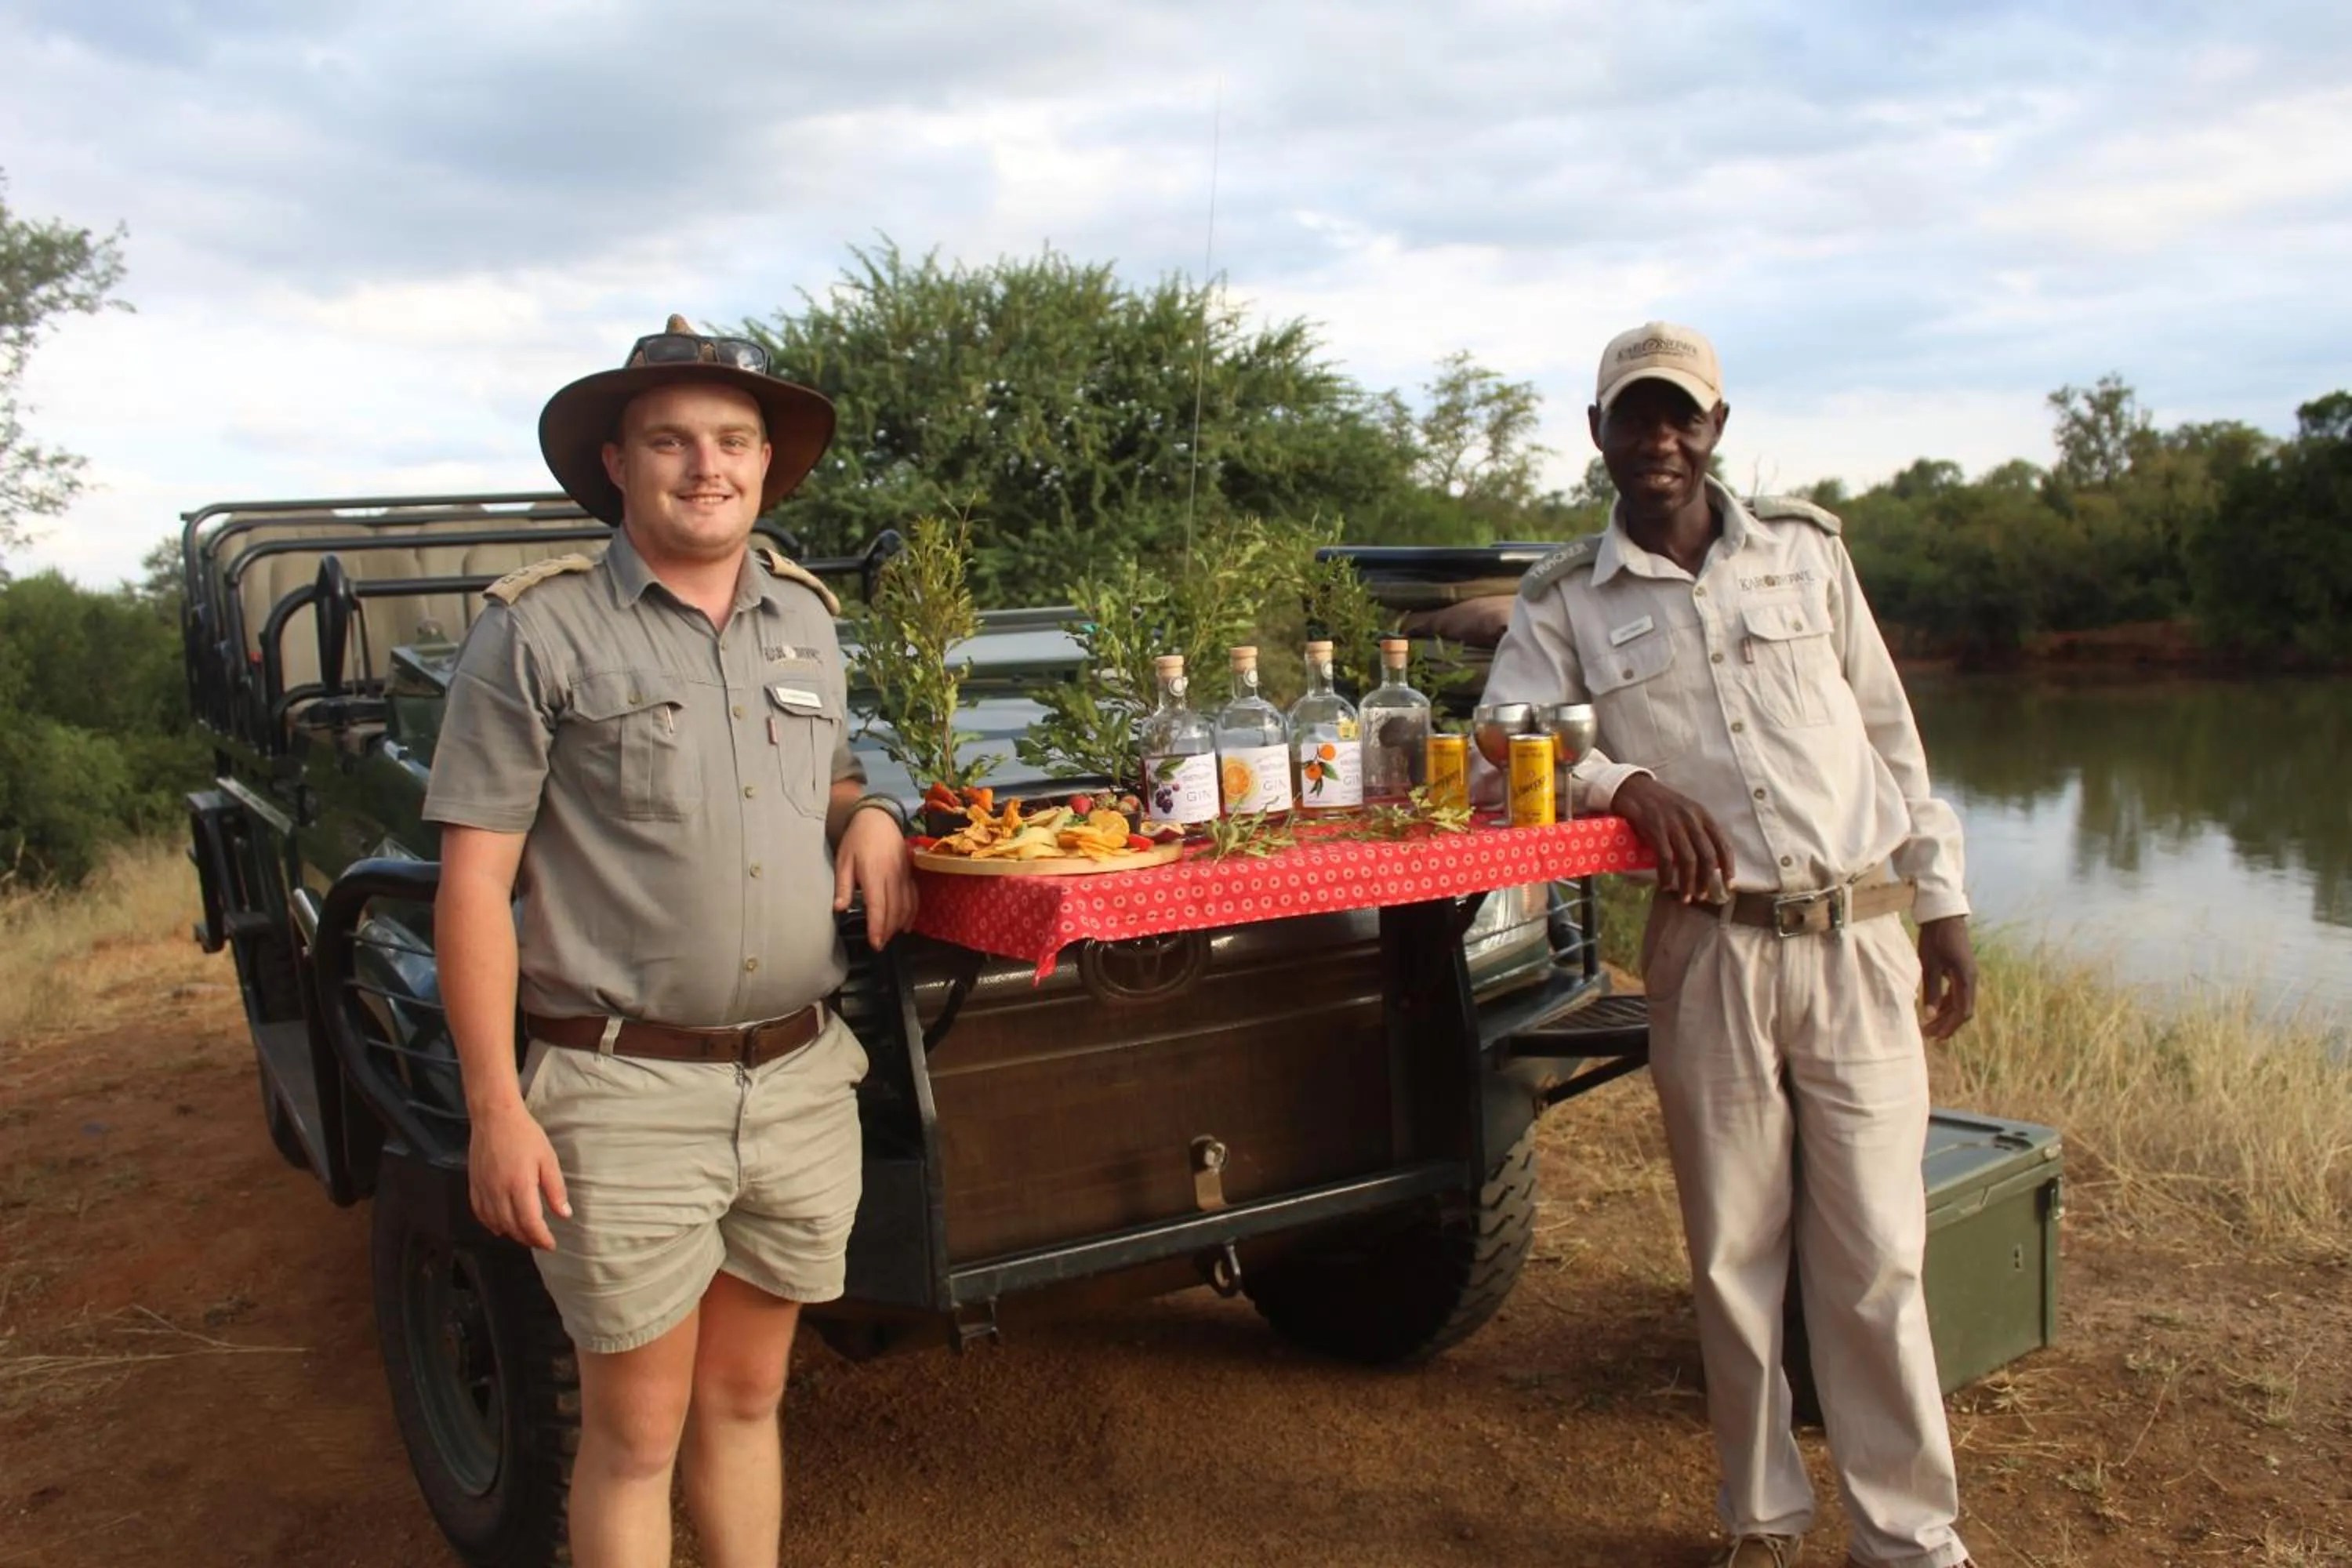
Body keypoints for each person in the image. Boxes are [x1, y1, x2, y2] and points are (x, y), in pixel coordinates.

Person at [1479, 323, 1979, 1568]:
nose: (1659, 439)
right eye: (1634, 417)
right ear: (1597, 434)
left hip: (1857, 936)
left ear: (1717, 426)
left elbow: (1890, 733)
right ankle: (1761, 1518)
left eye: (1680, 416)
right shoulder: (1565, 602)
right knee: (1735, 1255)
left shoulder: (1807, 556)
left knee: (1878, 1258)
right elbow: (1501, 731)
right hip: (1711, 952)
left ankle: (1908, 1537)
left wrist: (1944, 900)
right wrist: (1621, 782)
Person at [423, 316, 916, 1567]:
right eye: (673, 440)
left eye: (735, 440)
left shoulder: (802, 618)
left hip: (800, 1080)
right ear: (617, 462)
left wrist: (875, 819)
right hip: (622, 1090)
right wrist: (496, 1107)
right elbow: (474, 885)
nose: (709, 465)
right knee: (635, 1435)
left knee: (747, 1402)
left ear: (767, 463)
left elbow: (834, 775)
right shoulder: (536, 634)